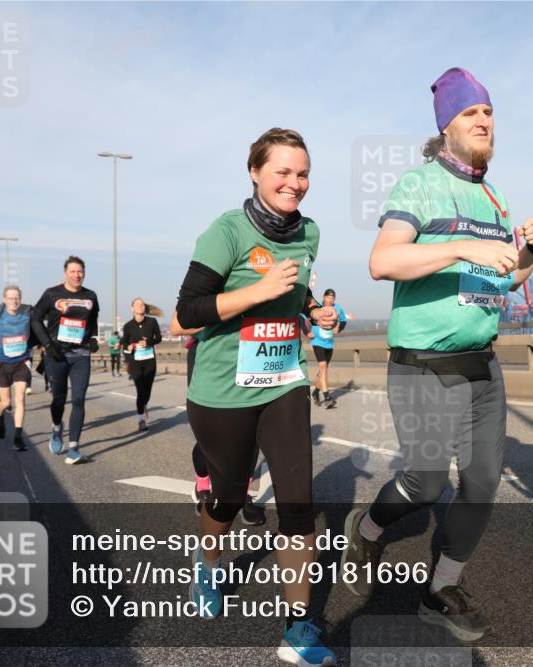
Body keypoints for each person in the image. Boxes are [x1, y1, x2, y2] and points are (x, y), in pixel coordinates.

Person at [339, 68, 533, 642]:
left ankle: (442, 587)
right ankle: (369, 527)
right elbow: (383, 262)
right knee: (425, 483)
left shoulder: (492, 196)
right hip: (423, 365)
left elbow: (504, 280)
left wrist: (530, 251)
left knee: (481, 484)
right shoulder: (419, 184)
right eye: (470, 114)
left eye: (489, 113)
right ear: (446, 127)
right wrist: (460, 245)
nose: (484, 121)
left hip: (481, 363)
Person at [174, 128, 337, 666]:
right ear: (255, 172)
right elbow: (185, 314)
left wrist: (313, 310)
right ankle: (209, 560)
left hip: (283, 379)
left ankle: (298, 627)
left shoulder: (309, 232)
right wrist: (256, 293)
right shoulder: (227, 231)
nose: (295, 183)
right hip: (222, 390)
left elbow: (299, 285)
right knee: (226, 497)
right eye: (283, 173)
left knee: (297, 503)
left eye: (303, 173)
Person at [171, 311, 268, 525]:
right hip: (207, 353)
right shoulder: (207, 278)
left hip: (250, 350)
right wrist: (226, 314)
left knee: (251, 431)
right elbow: (178, 325)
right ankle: (203, 487)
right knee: (211, 431)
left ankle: (242, 493)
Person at [31, 255, 100, 465]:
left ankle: (73, 449)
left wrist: (94, 338)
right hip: (57, 355)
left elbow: (94, 318)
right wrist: (47, 344)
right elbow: (35, 318)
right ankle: (56, 427)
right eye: (72, 271)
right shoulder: (52, 294)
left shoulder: (91, 296)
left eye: (80, 271)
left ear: (84, 274)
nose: (77, 275)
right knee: (59, 400)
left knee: (78, 399)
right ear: (65, 273)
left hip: (81, 355)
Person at [0, 285, 36, 451]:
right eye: (10, 298)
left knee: (20, 399)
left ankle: (18, 437)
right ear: (4, 300)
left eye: (16, 297)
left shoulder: (26, 316)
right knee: (6, 402)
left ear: (20, 299)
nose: (14, 301)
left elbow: (42, 318)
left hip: (21, 362)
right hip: (2, 364)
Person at [121, 298, 162, 431]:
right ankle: (141, 420)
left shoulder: (152, 322)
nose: (140, 306)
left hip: (150, 361)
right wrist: (129, 348)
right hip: (135, 363)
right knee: (140, 391)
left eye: (142, 304)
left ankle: (143, 406)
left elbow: (159, 338)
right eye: (137, 304)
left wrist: (148, 342)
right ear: (132, 308)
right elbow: (124, 344)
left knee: (147, 392)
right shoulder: (128, 326)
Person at [305, 288, 347, 408]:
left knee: (323, 370)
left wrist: (339, 328)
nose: (330, 299)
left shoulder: (337, 308)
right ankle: (327, 397)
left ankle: (315, 392)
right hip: (317, 342)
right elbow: (304, 317)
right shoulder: (317, 307)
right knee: (323, 368)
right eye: (328, 297)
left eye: (332, 298)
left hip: (329, 343)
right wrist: (307, 332)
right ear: (323, 298)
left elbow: (343, 319)